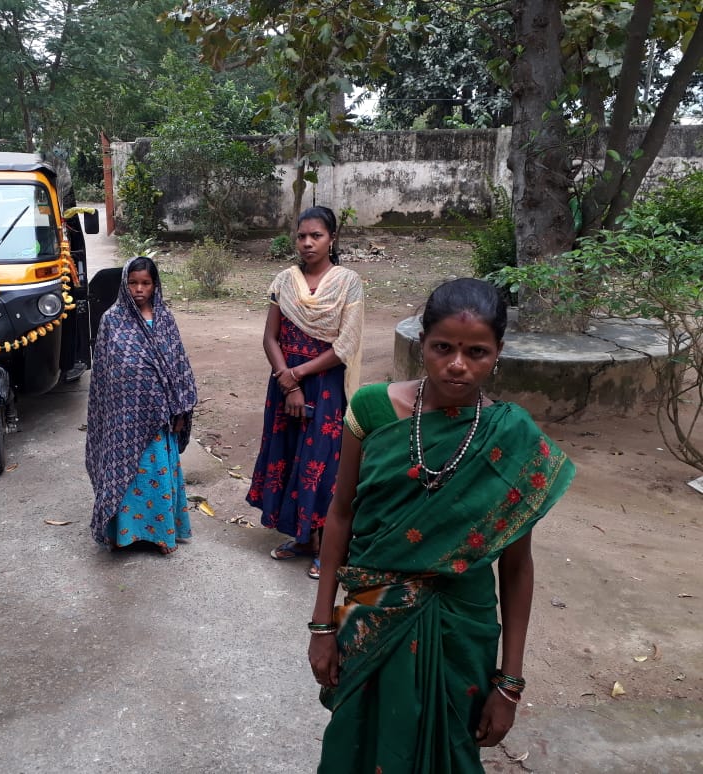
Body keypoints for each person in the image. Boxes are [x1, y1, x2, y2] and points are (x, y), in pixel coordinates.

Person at [308, 278, 576, 773]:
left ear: (498, 353)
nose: (457, 364)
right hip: (372, 606)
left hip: (462, 623)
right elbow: (340, 513)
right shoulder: (371, 409)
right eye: (442, 348)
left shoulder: (511, 438)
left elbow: (517, 568)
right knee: (358, 738)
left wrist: (509, 683)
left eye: (477, 351)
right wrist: (322, 624)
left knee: (450, 747)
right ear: (422, 343)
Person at [246, 206, 365, 580]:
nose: (308, 243)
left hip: (325, 384)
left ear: (332, 239)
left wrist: (297, 375)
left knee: (322, 463)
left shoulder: (348, 282)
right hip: (283, 384)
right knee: (288, 455)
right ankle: (300, 538)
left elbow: (345, 344)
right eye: (302, 236)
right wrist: (287, 380)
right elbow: (270, 337)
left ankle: (327, 546)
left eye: (317, 235)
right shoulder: (284, 280)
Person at [86, 257, 197, 554]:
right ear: (125, 283)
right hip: (122, 421)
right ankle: (121, 534)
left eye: (145, 283)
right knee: (124, 476)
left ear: (155, 285)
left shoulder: (164, 319)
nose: (139, 289)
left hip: (160, 418)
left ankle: (162, 535)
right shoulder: (111, 320)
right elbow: (102, 377)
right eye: (133, 283)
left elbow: (178, 366)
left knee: (156, 474)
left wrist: (181, 410)